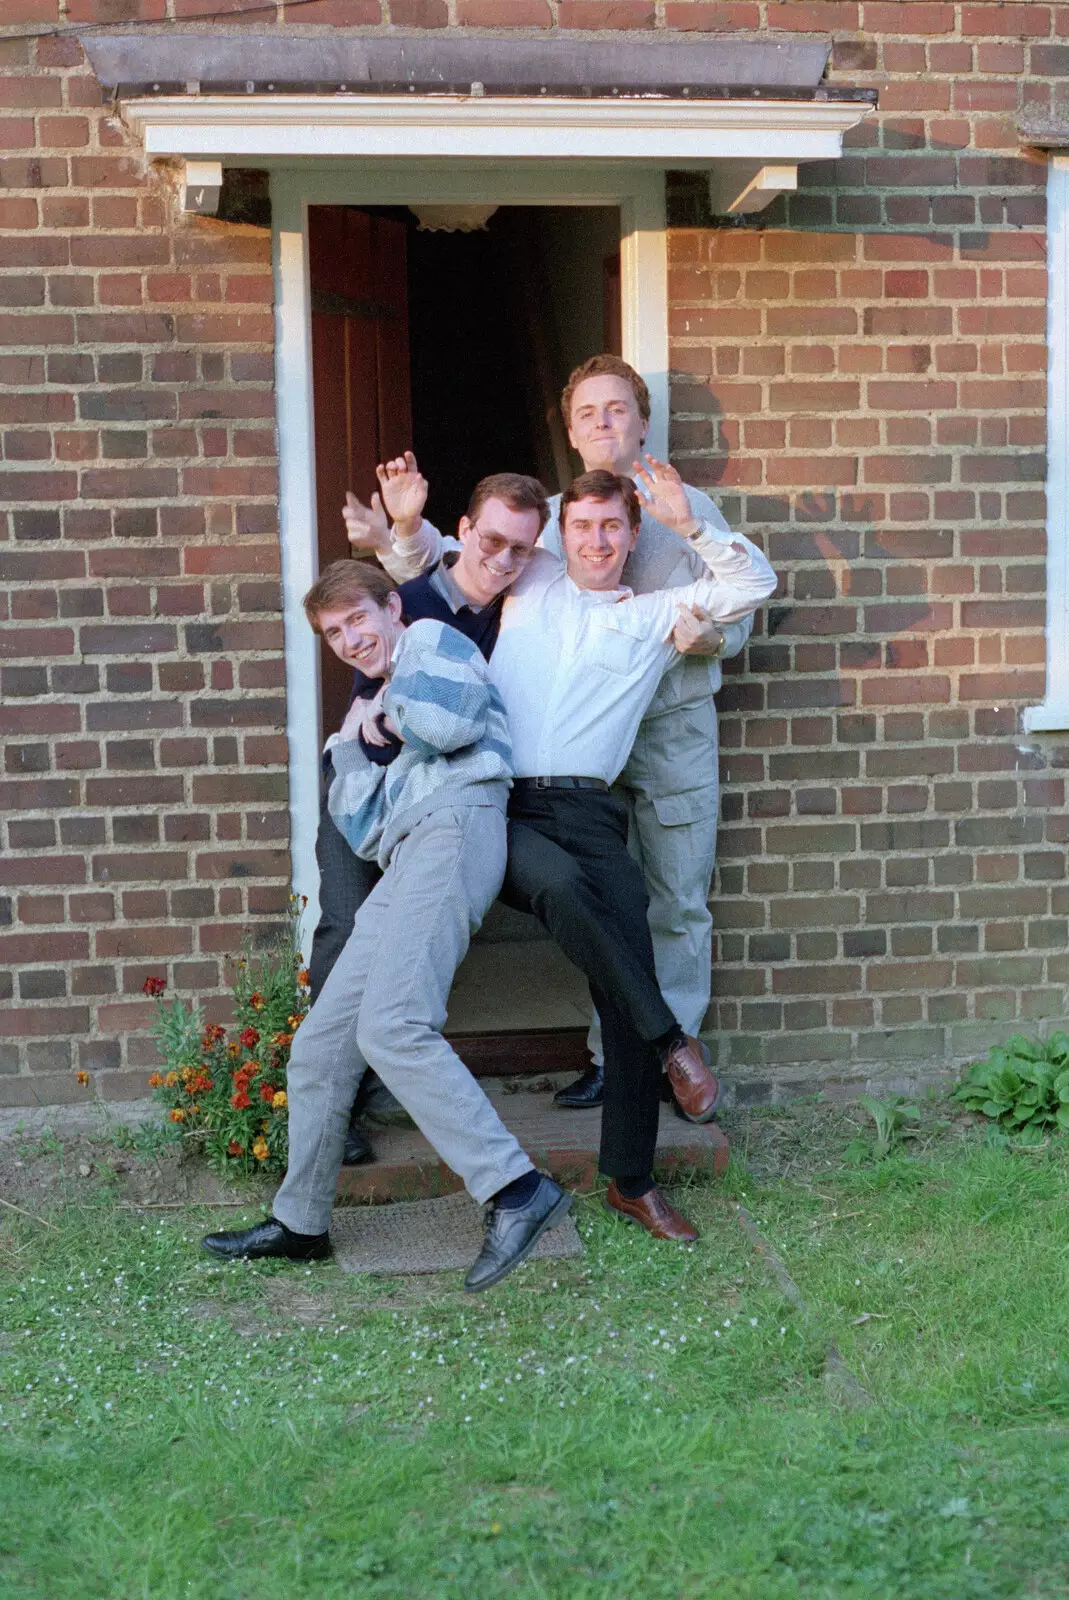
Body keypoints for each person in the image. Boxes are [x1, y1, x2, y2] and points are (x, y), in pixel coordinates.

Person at [376, 357, 769, 1111]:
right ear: (569, 427)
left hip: (670, 730)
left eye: (617, 409)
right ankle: (611, 1053)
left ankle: (661, 1056)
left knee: (674, 898)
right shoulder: (551, 518)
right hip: (568, 746)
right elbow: (468, 568)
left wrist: (705, 640)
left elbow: (741, 611)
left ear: (641, 422)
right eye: (587, 412)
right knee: (594, 899)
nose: (602, 423)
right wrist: (400, 532)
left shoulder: (690, 509)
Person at [203, 559, 571, 1292]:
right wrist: (348, 743)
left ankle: (516, 1190)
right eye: (332, 633)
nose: (348, 639)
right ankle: (302, 1222)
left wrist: (387, 719)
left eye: (356, 620)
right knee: (320, 1047)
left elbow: (446, 722)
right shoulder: (367, 701)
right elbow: (361, 823)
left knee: (394, 1025)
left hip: (457, 827)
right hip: (406, 852)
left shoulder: (433, 641)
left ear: (390, 607)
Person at [486, 463, 776, 1240]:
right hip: (504, 805)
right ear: (560, 533)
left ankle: (631, 1181)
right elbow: (448, 566)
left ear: (631, 533)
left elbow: (751, 584)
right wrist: (406, 534)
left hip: (590, 809)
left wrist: (690, 524)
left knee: (629, 961)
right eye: (581, 526)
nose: (596, 540)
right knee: (560, 890)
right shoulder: (529, 582)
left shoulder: (652, 613)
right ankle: (672, 1042)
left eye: (611, 526)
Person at [314, 464, 550, 1165]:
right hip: (373, 789)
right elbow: (370, 714)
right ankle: (340, 1107)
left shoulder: (517, 614)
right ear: (466, 534)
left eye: (520, 550)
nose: (502, 560)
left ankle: (383, 1080)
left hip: (436, 801)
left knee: (404, 953)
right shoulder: (411, 601)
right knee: (345, 930)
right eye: (491, 542)